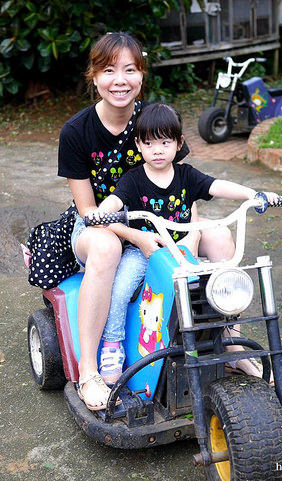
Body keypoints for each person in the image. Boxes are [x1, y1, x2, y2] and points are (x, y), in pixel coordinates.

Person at [87, 102, 279, 383]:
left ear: (179, 143)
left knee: (226, 277)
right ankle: (112, 345)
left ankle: (232, 344)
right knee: (121, 287)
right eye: (150, 143)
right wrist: (101, 211)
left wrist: (254, 194)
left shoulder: (187, 175)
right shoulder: (133, 180)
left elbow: (217, 185)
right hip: (146, 250)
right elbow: (114, 203)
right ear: (139, 145)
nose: (157, 150)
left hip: (184, 248)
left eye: (165, 142)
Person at [57, 32, 195, 411]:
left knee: (218, 240)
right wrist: (135, 234)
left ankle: (226, 340)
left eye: (130, 69)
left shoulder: (155, 121)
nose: (120, 80)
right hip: (98, 229)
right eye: (108, 70)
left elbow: (187, 187)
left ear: (142, 74)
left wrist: (191, 241)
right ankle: (89, 370)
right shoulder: (76, 132)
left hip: (158, 225)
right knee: (107, 246)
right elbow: (89, 212)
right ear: (94, 76)